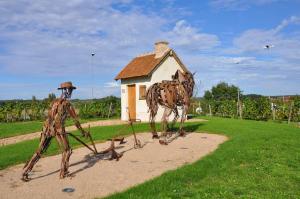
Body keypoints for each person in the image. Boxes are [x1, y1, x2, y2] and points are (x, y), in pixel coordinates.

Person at [22, 82, 88, 181]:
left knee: (40, 151)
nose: (70, 92)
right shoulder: (68, 105)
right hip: (58, 129)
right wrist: (83, 132)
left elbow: (50, 117)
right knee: (67, 151)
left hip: (47, 128)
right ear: (66, 91)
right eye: (69, 90)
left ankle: (25, 172)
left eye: (70, 90)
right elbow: (75, 121)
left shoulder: (53, 102)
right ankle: (63, 172)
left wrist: (50, 128)